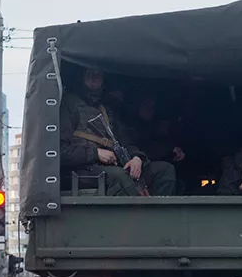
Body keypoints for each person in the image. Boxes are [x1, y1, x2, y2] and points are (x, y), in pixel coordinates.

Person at [59, 68, 177, 196]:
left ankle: (159, 209)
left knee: (165, 170)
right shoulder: (68, 104)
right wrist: (96, 153)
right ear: (81, 77)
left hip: (112, 167)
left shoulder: (106, 109)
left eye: (98, 74)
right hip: (82, 169)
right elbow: (61, 151)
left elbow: (124, 141)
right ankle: (140, 209)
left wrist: (137, 158)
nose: (94, 78)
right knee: (121, 178)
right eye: (89, 74)